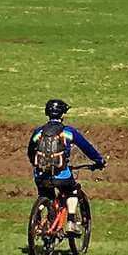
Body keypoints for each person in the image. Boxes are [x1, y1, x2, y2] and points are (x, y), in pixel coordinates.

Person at [27, 99, 105, 235]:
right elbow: (87, 148)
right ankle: (71, 222)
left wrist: (37, 165)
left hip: (41, 175)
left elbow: (30, 152)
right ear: (62, 115)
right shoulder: (69, 132)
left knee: (46, 195)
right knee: (73, 191)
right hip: (61, 174)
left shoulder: (38, 132)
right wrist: (99, 160)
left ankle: (40, 220)